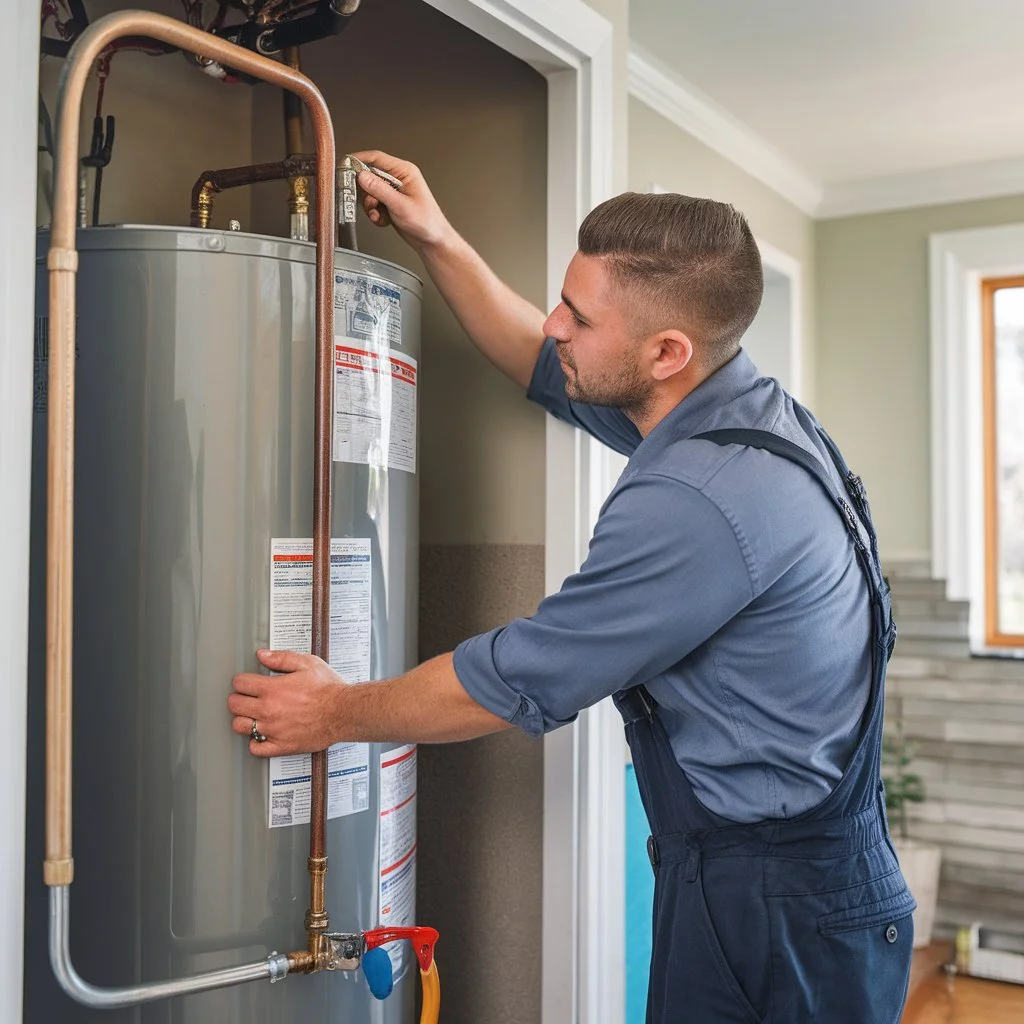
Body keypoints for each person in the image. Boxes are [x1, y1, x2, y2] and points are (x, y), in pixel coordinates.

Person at [228, 152, 914, 1023]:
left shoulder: (699, 500)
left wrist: (329, 714)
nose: (556, 323)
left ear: (667, 352)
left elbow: (516, 678)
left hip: (779, 915)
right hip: (805, 884)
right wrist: (436, 238)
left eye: (579, 316)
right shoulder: (733, 408)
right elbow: (537, 357)